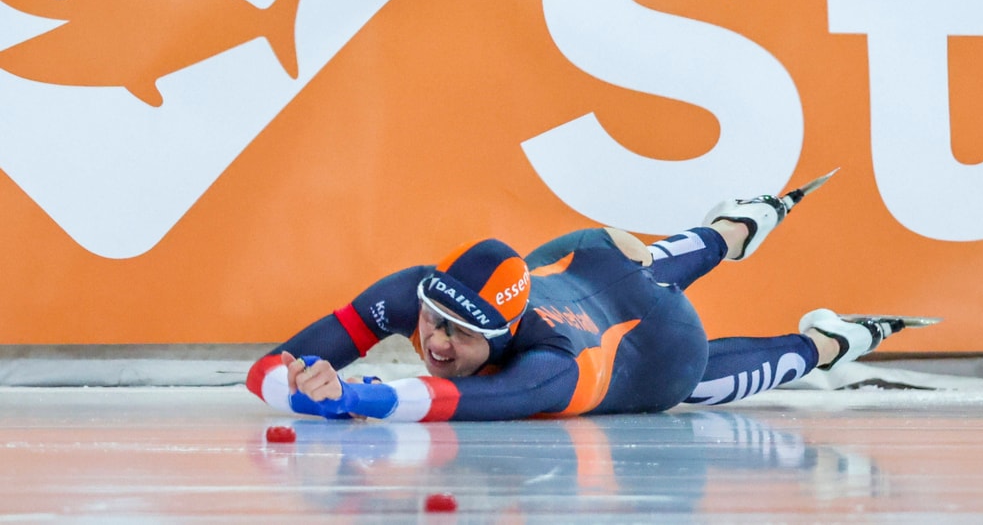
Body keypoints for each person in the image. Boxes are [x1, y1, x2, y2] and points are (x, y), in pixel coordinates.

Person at [246, 178, 914, 422]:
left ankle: (832, 341)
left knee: (693, 370)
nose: (437, 343)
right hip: (591, 257)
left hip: (662, 350)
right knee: (634, 256)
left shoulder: (549, 366)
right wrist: (298, 383)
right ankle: (741, 225)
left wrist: (346, 396)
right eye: (433, 322)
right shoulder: (415, 288)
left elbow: (450, 404)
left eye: (462, 336)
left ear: (507, 338)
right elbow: (263, 368)